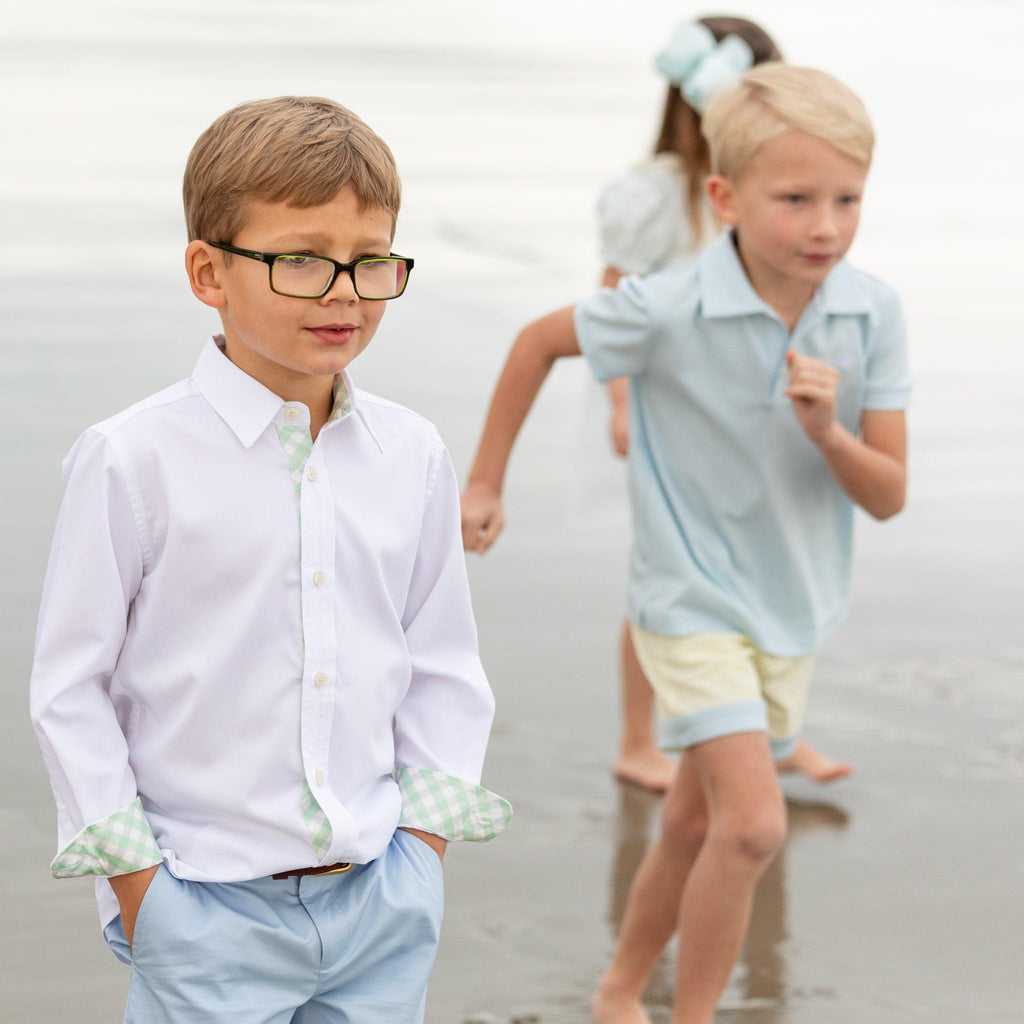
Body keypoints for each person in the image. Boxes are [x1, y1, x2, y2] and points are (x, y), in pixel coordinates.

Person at [29, 95, 511, 1023]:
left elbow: (444, 663)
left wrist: (423, 854)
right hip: (201, 904)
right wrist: (142, 890)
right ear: (208, 272)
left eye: (371, 262)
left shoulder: (410, 453)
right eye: (300, 259)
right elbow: (69, 689)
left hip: (382, 896)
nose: (344, 292)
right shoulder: (132, 458)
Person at [461, 64, 909, 1023]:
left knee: (695, 819)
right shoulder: (665, 306)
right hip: (686, 600)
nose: (825, 225)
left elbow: (890, 496)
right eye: (795, 199)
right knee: (751, 827)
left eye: (846, 199)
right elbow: (539, 342)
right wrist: (486, 477)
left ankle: (620, 991)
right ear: (725, 196)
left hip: (792, 608)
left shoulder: (874, 313)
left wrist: (829, 433)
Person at [594, 17, 849, 790]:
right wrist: (618, 404)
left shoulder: (781, 195)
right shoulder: (657, 194)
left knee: (768, 562)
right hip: (672, 408)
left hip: (755, 407)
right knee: (668, 575)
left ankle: (774, 732)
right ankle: (639, 738)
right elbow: (611, 299)